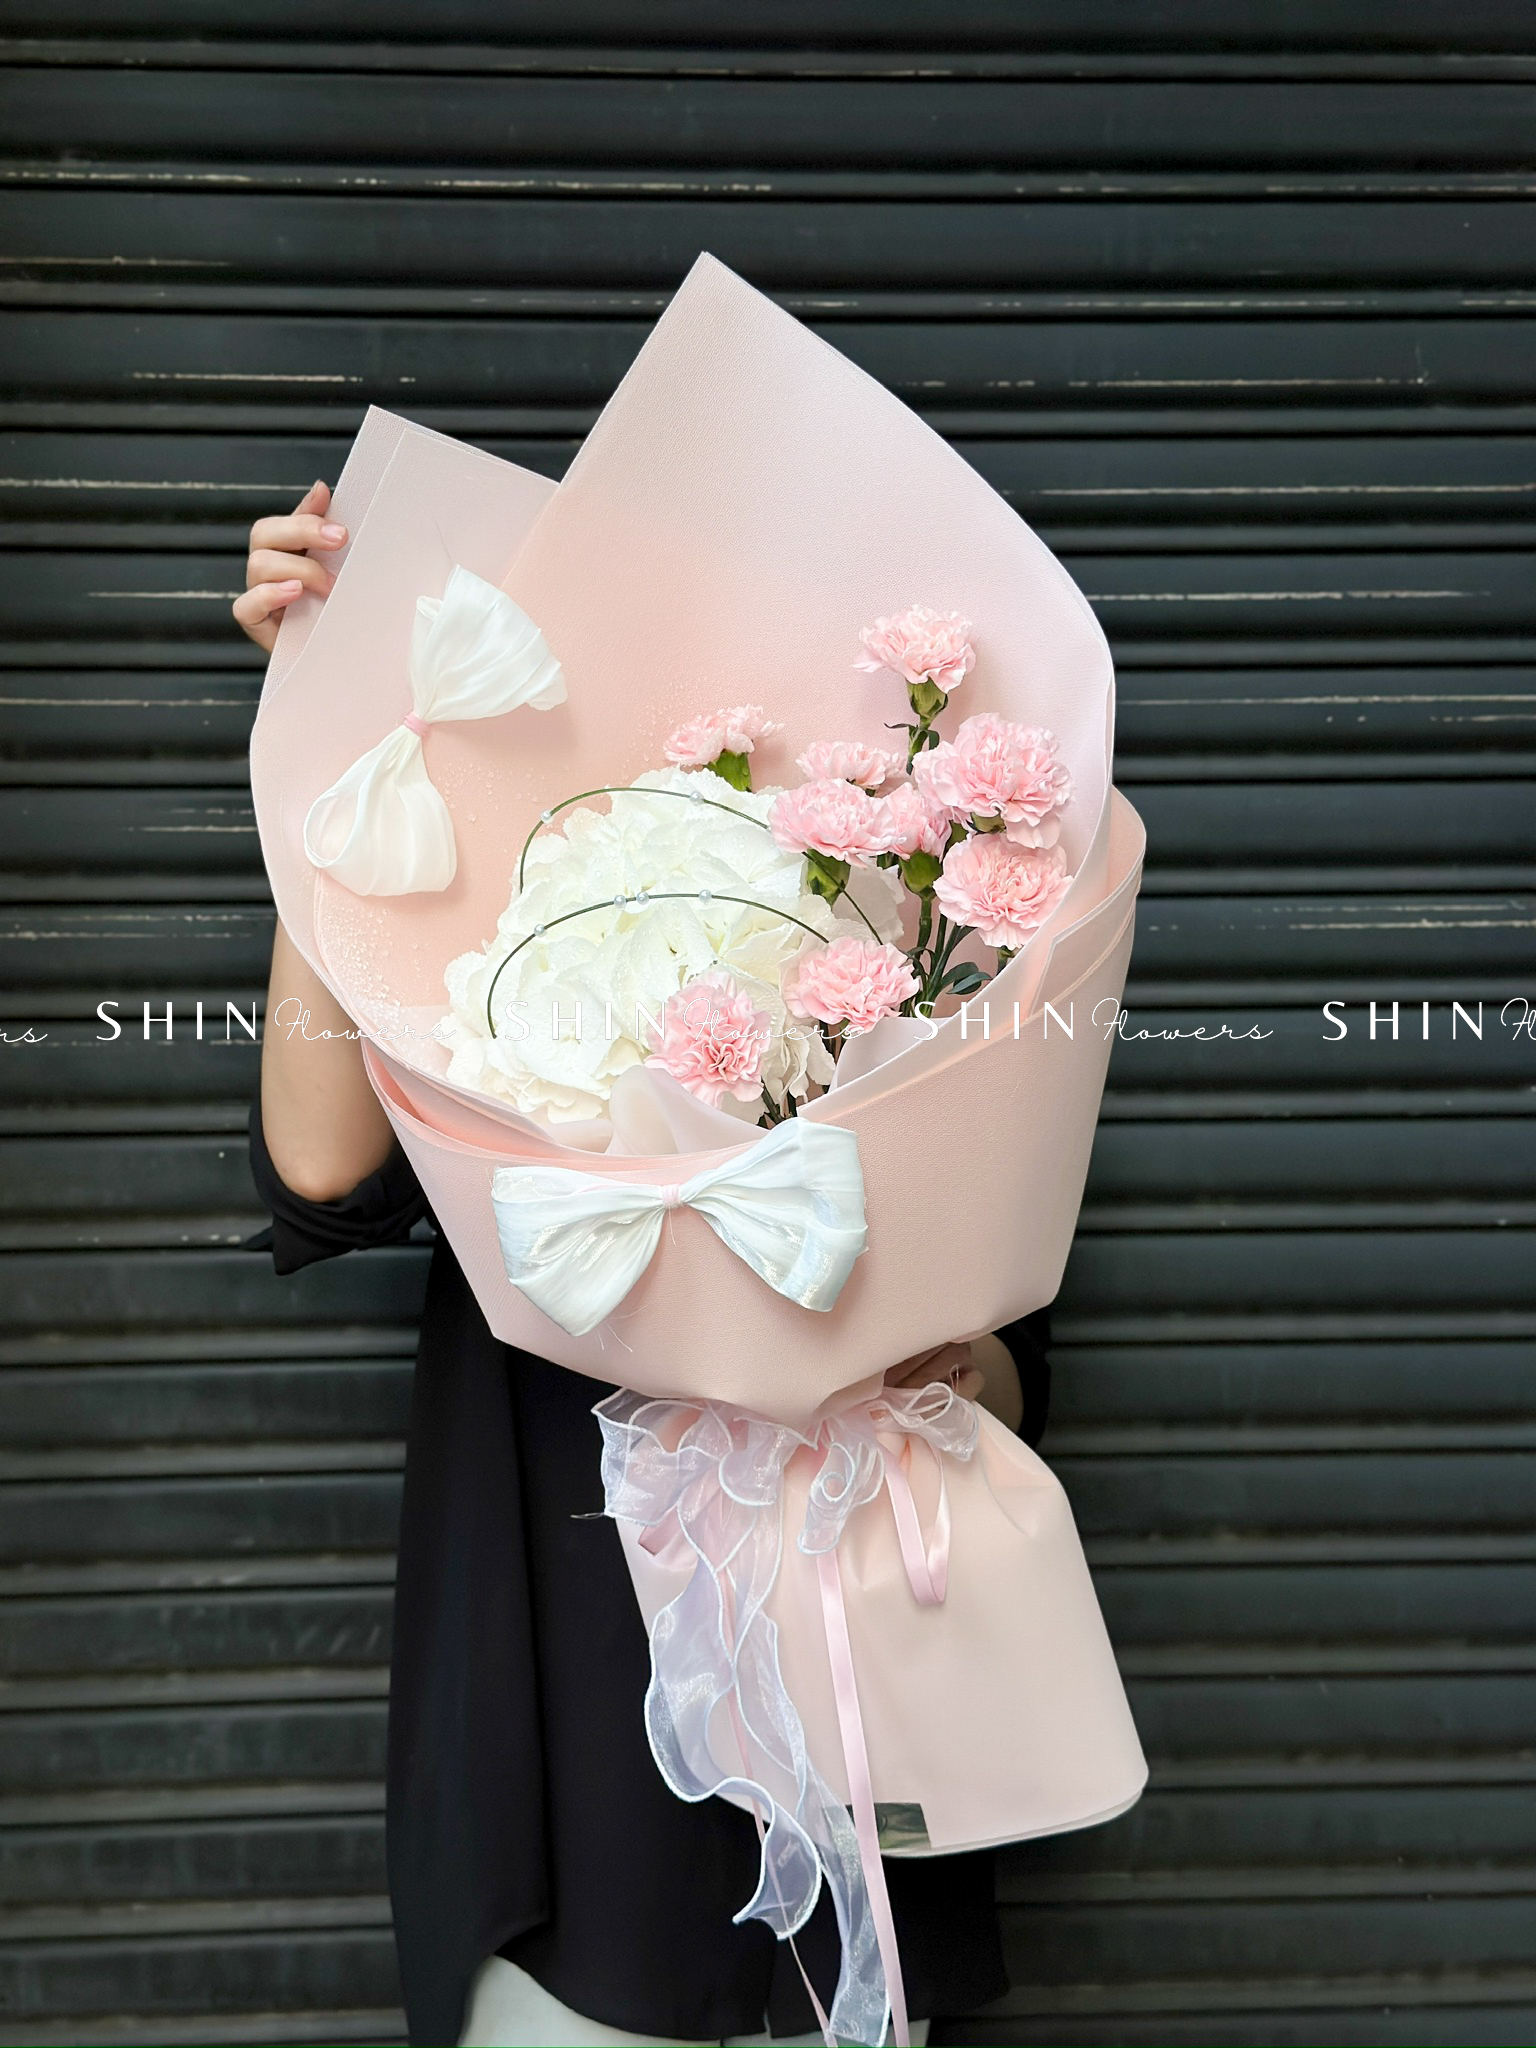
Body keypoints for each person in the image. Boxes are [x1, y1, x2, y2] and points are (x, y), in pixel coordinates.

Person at [239, 489, 1055, 2048]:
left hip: (848, 1692)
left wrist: (930, 1372)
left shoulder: (890, 878)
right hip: (570, 1727)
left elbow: (1013, 1356)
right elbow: (325, 1171)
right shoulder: (509, 865)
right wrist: (329, 736)